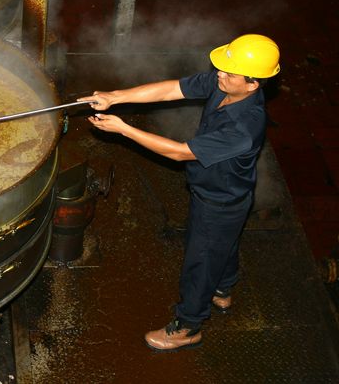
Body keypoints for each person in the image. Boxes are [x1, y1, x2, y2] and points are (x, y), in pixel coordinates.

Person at [78, 34, 281, 352]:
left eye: (229, 73)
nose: (219, 74)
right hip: (224, 193)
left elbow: (179, 153)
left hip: (219, 202)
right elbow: (173, 88)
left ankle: (188, 326)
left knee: (200, 262)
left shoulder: (243, 127)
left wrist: (124, 129)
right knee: (222, 247)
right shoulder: (224, 83)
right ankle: (223, 290)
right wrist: (114, 97)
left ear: (253, 84)